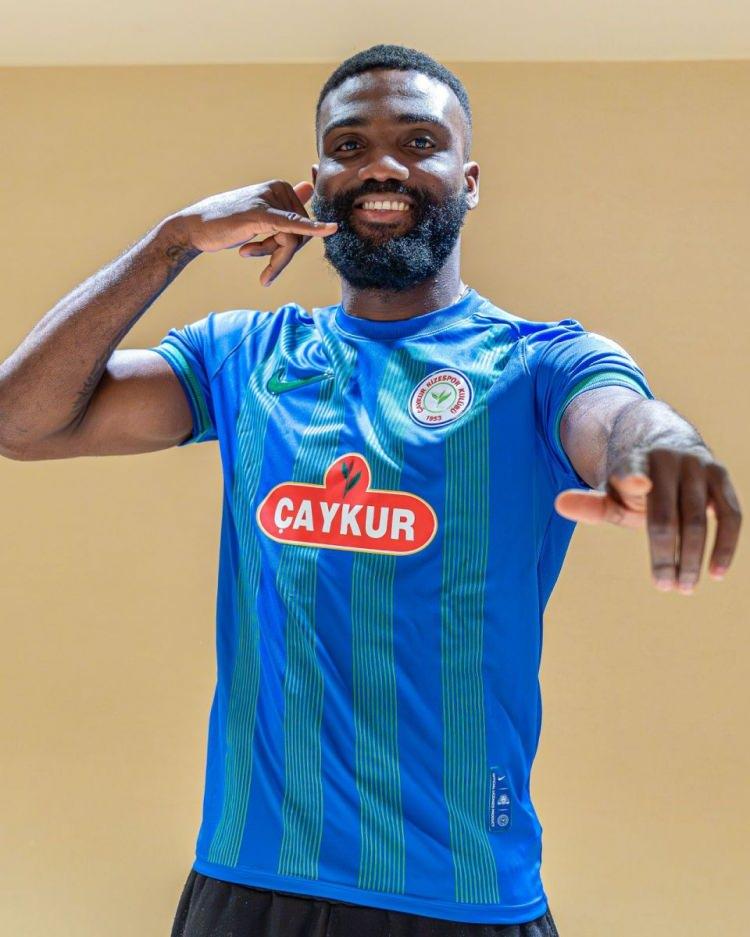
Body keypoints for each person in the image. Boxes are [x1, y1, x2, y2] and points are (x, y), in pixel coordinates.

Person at [0, 42, 741, 937]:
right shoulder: (246, 356)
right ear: (313, 185)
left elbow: (618, 416)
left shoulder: (539, 363)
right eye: (349, 147)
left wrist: (665, 446)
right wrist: (174, 241)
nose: (381, 166)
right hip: (249, 887)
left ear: (468, 181)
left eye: (419, 142)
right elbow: (23, 421)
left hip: (463, 898)